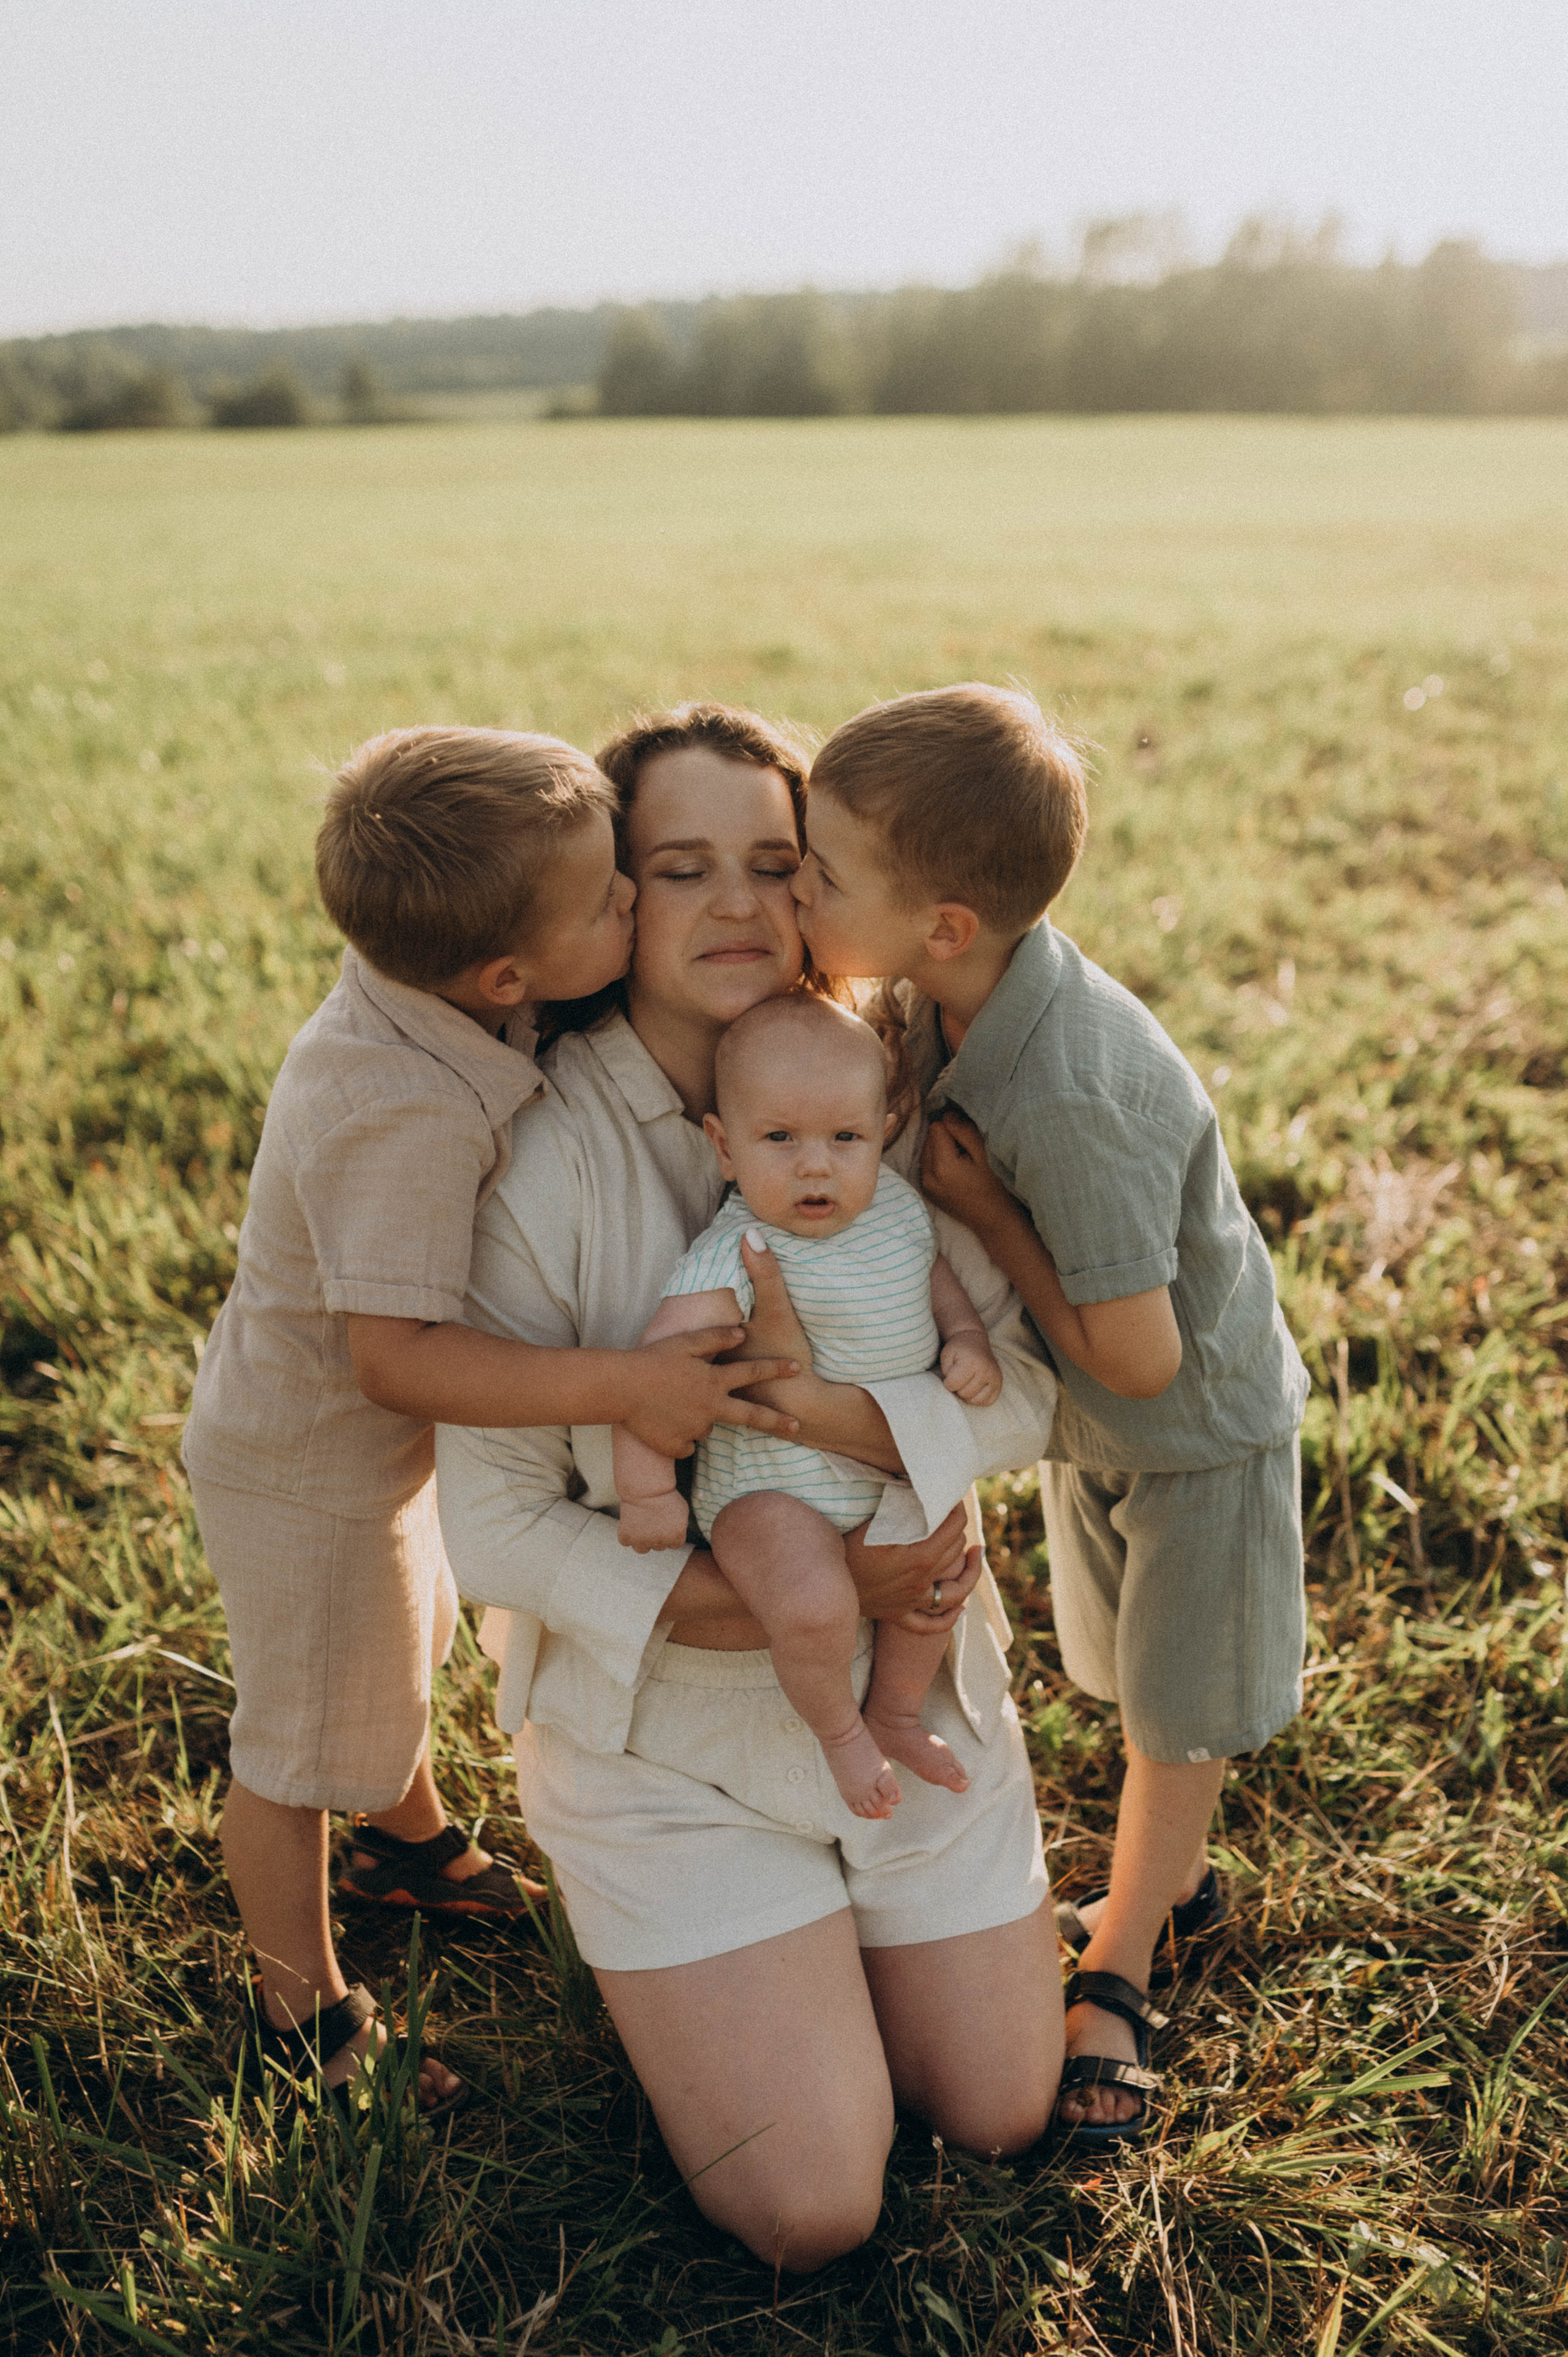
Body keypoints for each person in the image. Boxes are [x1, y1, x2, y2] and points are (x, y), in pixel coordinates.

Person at [434, 703, 1063, 2269]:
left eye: (773, 863)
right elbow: (494, 1526)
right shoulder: (534, 1154)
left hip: (911, 1678)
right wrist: (773, 1598)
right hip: (669, 1740)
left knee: (995, 2113)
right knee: (812, 2204)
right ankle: (717, 1946)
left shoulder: (880, 1084)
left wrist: (831, 1417)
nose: (733, 904)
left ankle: (841, 1948)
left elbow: (1030, 1388)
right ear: (612, 894)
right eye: (678, 865)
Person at [182, 725, 798, 2116]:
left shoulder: (439, 983)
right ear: (506, 977)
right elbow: (395, 1358)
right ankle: (302, 2015)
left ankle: (403, 1843)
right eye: (612, 900)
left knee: (398, 1650)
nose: (638, 905)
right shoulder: (400, 1103)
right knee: (294, 1742)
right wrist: (622, 1383)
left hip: (358, 1465)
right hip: (310, 1469)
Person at [793, 683, 1309, 2143]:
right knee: (1126, 1670)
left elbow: (1140, 1355)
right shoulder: (945, 995)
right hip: (1103, 1429)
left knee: (1175, 1714)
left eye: (821, 875)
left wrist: (986, 1214)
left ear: (941, 924)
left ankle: (1126, 1959)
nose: (796, 888)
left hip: (1188, 1430)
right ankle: (1175, 1877)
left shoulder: (1071, 1092)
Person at [614, 992, 1002, 1819]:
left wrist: (966, 1337)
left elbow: (936, 1279)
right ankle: (840, 1734)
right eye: (780, 1139)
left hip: (879, 1480)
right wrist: (646, 1487)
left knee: (944, 1560)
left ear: (883, 1132)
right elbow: (658, 1371)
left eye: (845, 1139)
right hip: (767, 1493)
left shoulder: (894, 1209)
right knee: (815, 1602)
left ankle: (896, 1709)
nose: (816, 1166)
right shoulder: (738, 1250)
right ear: (724, 1146)